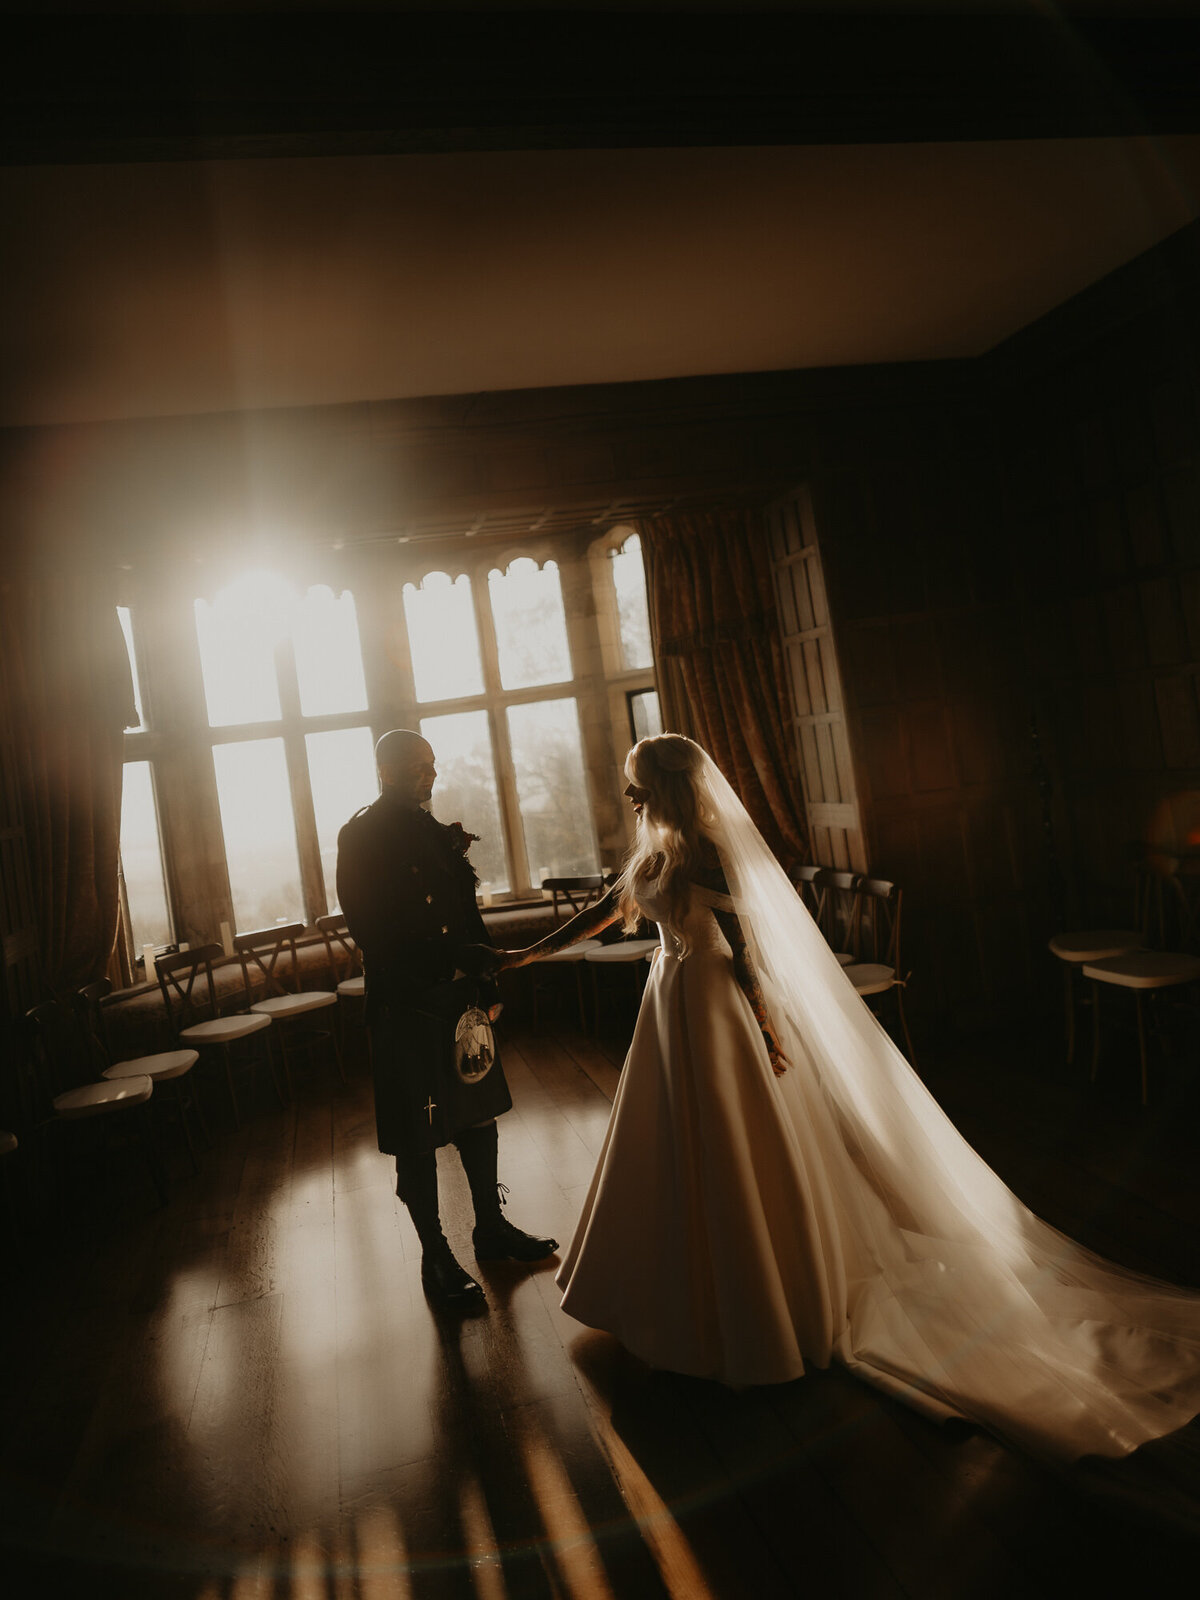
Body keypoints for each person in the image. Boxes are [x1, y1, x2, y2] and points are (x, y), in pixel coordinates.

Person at [499, 733, 1200, 1461]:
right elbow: (605, 913)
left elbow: (746, 956)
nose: (630, 796)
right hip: (668, 1004)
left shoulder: (708, 853)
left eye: (639, 785)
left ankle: (757, 1302)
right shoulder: (655, 852)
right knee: (668, 1143)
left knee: (732, 1145)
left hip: (711, 1009)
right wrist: (524, 954)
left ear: (669, 789)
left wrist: (767, 1032)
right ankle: (677, 1295)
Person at [337, 729, 557, 1306]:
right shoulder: (360, 836)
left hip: (458, 1000)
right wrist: (450, 961)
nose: (430, 774)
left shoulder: (435, 831)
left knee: (478, 1116)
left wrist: (485, 980)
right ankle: (435, 1255)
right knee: (418, 1135)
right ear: (386, 770)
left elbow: (465, 912)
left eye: (432, 763)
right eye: (418, 766)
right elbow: (371, 930)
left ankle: (491, 1228)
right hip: (405, 1005)